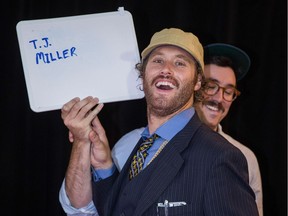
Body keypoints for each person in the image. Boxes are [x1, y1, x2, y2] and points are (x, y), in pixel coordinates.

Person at [59, 28, 259, 216]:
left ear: (198, 81)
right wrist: (103, 166)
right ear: (142, 75)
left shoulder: (221, 156)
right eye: (157, 61)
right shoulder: (138, 147)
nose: (166, 70)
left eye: (180, 63)